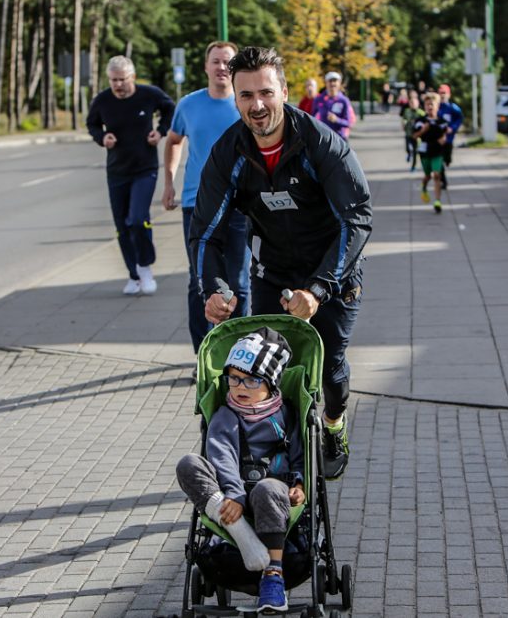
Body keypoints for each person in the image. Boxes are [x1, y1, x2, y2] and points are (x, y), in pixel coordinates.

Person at [189, 47, 372, 480]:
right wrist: (213, 288)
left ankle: (333, 424)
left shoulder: (321, 143)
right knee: (268, 367)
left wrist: (320, 288)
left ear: (284, 92)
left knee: (328, 366)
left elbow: (357, 218)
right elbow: (206, 231)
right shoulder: (228, 152)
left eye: (266, 93)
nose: (257, 106)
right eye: (246, 95)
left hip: (332, 273)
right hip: (272, 272)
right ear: (234, 97)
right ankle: (274, 460)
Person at [176, 327, 303, 613]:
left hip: (274, 494)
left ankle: (273, 575)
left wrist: (301, 483)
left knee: (267, 487)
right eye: (233, 378)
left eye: (251, 380)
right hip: (228, 496)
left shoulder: (287, 415)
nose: (240, 387)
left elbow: (299, 455)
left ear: (270, 383)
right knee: (189, 464)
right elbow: (221, 457)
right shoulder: (226, 415)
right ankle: (239, 530)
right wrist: (234, 495)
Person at [162, 41, 251, 357]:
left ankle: (240, 356)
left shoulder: (244, 104)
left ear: (235, 67)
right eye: (215, 61)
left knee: (239, 281)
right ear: (206, 67)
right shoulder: (188, 104)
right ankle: (204, 355)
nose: (221, 67)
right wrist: (169, 182)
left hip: (240, 203)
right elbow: (173, 141)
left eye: (227, 61)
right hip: (196, 202)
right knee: (199, 281)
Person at [87, 55, 175, 296]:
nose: (118, 85)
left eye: (122, 80)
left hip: (145, 168)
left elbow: (169, 108)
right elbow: (92, 124)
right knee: (121, 226)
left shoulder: (149, 94)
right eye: (113, 80)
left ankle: (145, 266)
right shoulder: (102, 100)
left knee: (137, 219)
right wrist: (102, 138)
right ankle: (133, 274)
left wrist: (160, 131)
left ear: (132, 77)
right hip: (117, 171)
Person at [411, 92, 448, 213]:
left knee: (437, 175)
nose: (430, 107)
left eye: (432, 104)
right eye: (427, 104)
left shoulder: (442, 121)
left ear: (437, 106)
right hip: (425, 151)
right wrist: (423, 130)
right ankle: (424, 186)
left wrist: (444, 139)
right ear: (424, 106)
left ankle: (437, 201)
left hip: (437, 151)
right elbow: (414, 136)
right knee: (428, 176)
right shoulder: (420, 121)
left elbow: (445, 135)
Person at [312, 71, 354, 140]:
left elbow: (348, 123)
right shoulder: (319, 99)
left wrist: (337, 120)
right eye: (330, 81)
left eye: (335, 81)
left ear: (339, 83)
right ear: (326, 83)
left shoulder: (344, 100)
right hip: (324, 138)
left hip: (340, 139)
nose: (332, 83)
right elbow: (312, 118)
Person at [437, 84, 464, 190]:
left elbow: (459, 119)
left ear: (449, 94)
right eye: (440, 93)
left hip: (449, 138)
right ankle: (443, 181)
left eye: (444, 93)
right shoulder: (436, 106)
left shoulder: (453, 107)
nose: (442, 95)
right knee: (439, 160)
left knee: (447, 158)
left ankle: (448, 159)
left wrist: (452, 128)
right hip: (438, 139)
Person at [401, 93, 425, 171]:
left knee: (415, 151)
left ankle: (413, 166)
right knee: (407, 148)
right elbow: (403, 119)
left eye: (414, 103)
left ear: (418, 104)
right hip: (408, 133)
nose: (413, 105)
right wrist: (403, 123)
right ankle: (409, 154)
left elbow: (425, 121)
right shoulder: (407, 111)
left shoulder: (421, 112)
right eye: (411, 103)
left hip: (416, 135)